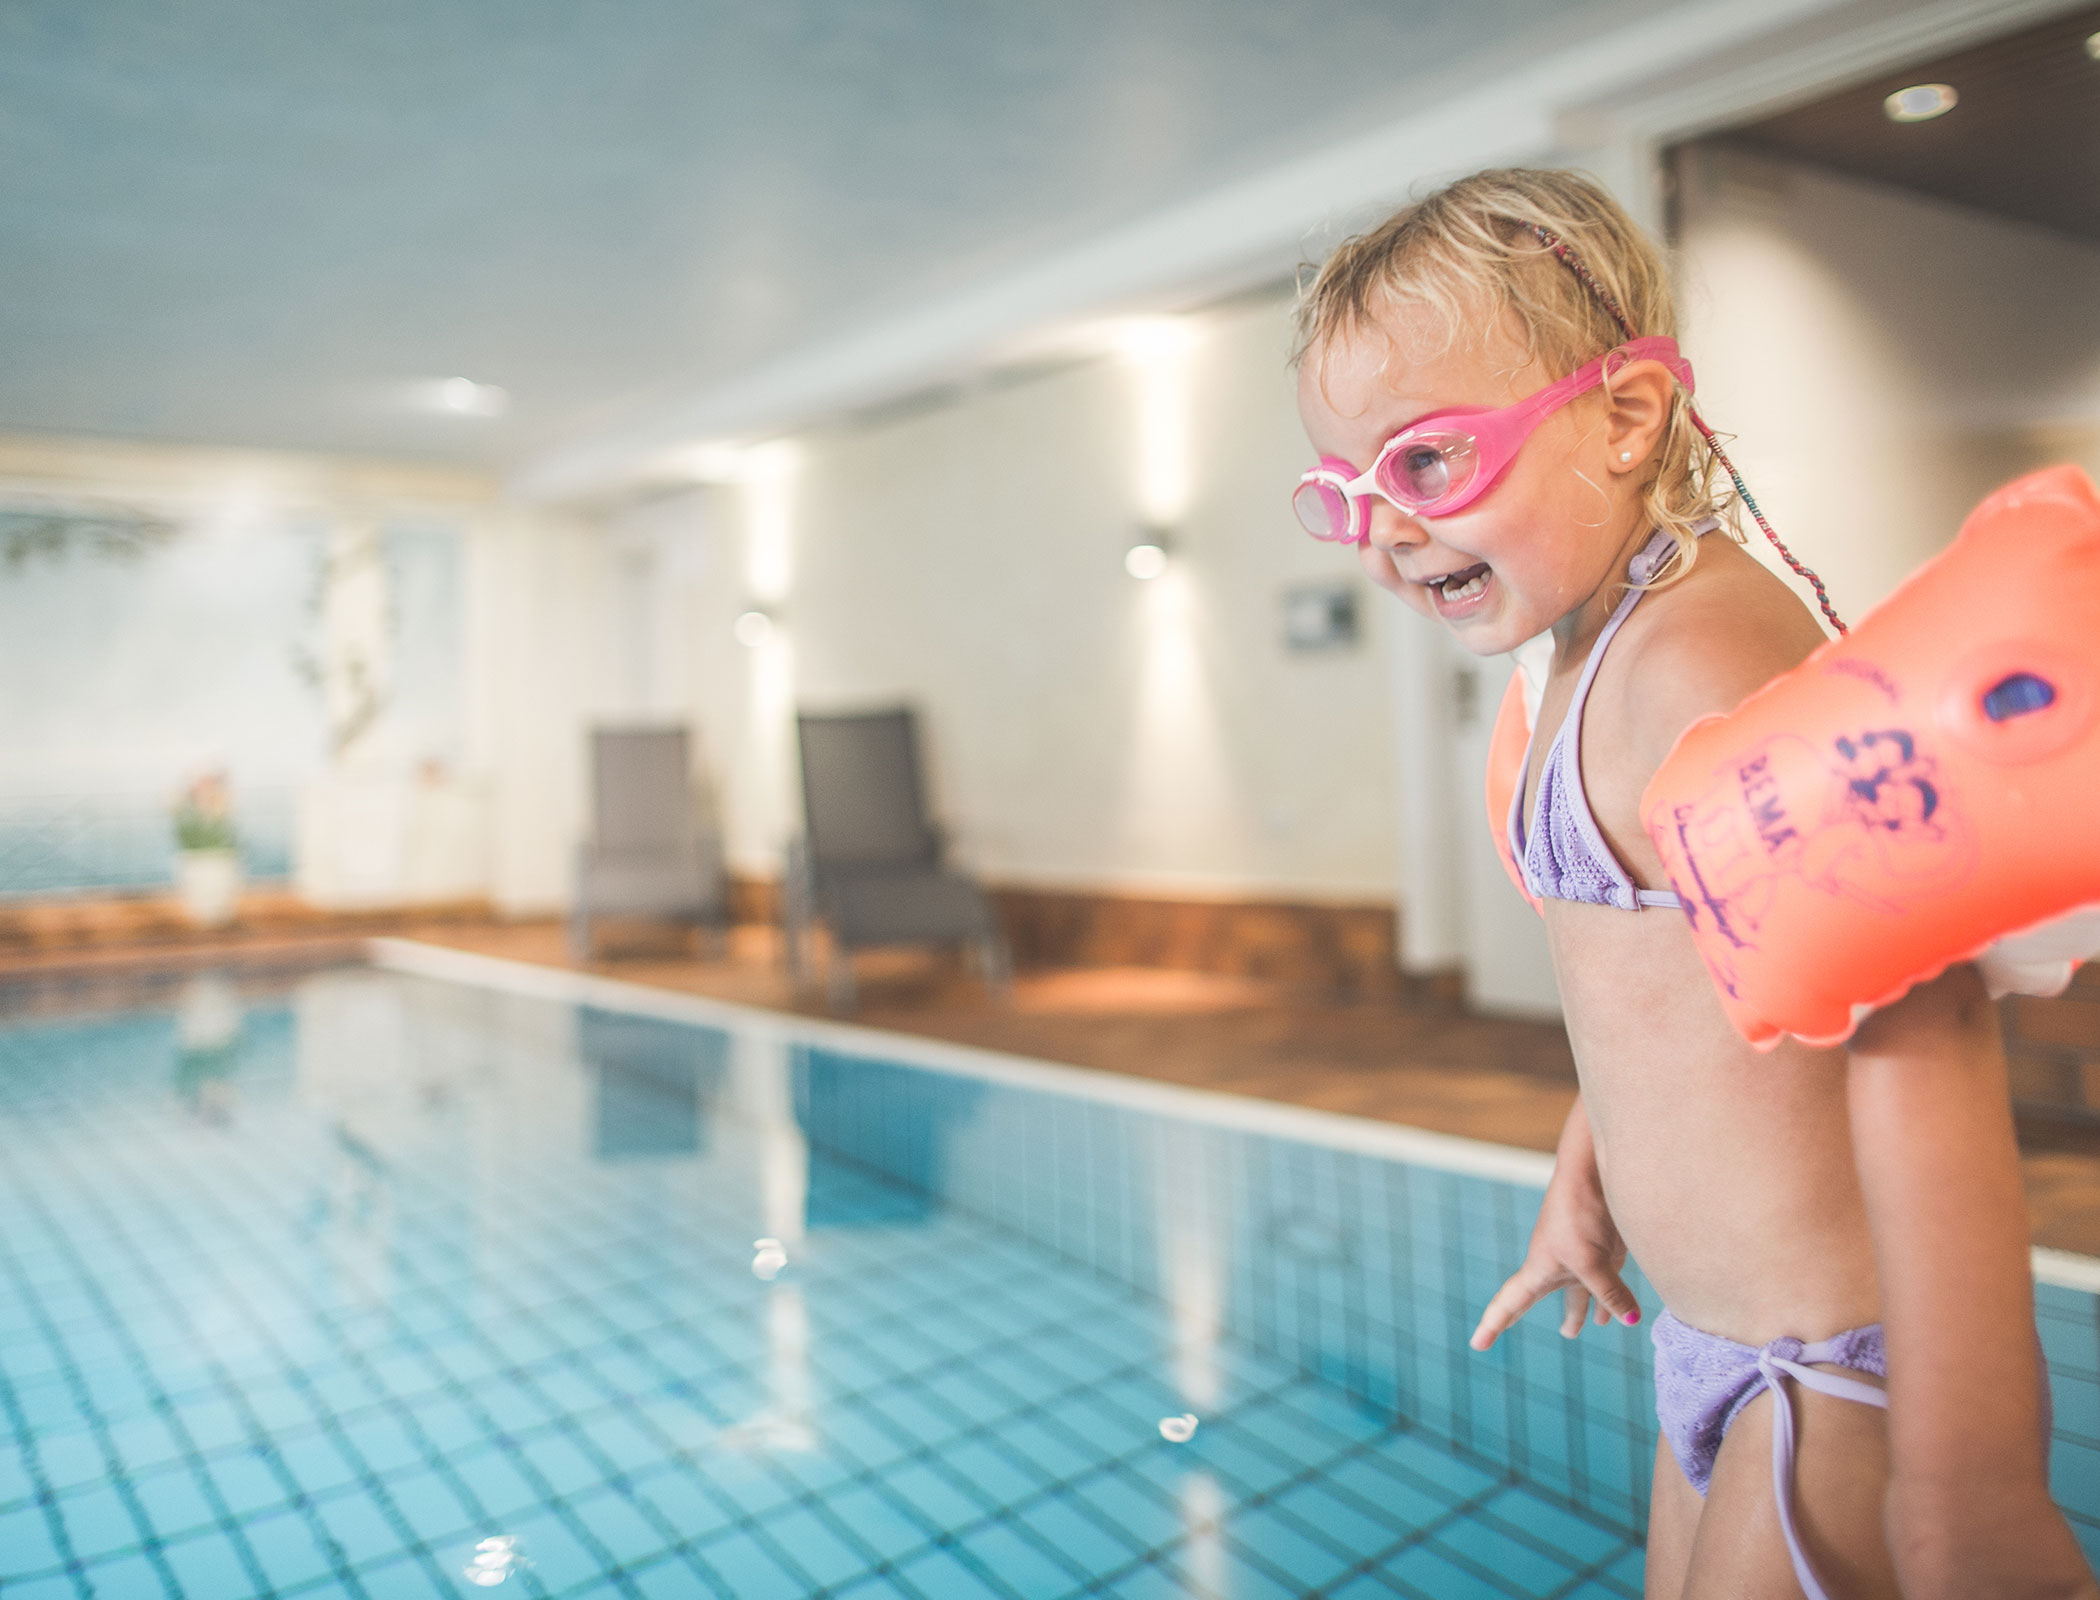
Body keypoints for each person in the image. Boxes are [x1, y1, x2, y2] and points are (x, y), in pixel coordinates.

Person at [1290, 167, 2096, 1599]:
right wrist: (1585, 1162)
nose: (1392, 532)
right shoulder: (1577, 663)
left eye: (1425, 464)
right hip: (1715, 1340)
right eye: (1350, 492)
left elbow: (1927, 1027)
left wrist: (1974, 1485)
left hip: (1839, 1369)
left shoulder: (1695, 668)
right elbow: (1664, 990)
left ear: (1624, 414)